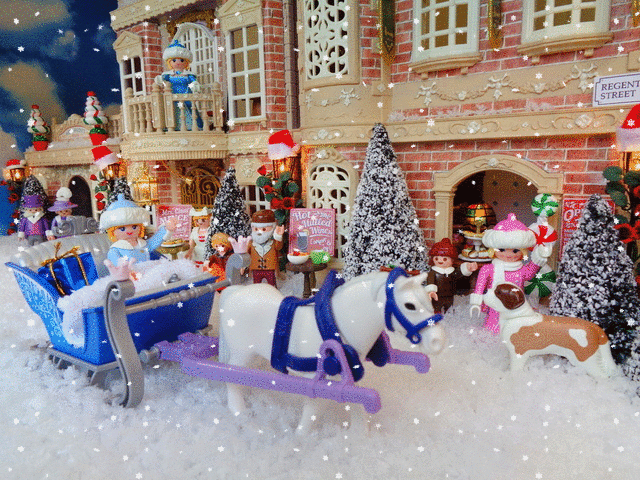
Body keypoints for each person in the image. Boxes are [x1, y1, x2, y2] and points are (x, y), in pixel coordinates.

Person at [469, 213, 551, 334]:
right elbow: (479, 288)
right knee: (493, 329)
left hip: (516, 308)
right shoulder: (488, 269)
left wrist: (538, 259)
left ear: (522, 251)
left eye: (515, 251)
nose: (508, 254)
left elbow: (530, 274)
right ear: (493, 250)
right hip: (495, 309)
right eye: (502, 250)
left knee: (514, 330)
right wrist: (476, 302)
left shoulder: (521, 269)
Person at [100, 194, 177, 265]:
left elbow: (155, 241)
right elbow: (116, 265)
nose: (129, 231)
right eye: (122, 229)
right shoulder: (116, 249)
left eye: (134, 227)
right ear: (113, 232)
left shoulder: (142, 244)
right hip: (130, 274)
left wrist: (166, 229)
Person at [154, 39, 202, 130]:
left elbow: (193, 83)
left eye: (182, 60)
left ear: (186, 62)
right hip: (172, 98)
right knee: (173, 113)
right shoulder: (168, 75)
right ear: (169, 62)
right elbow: (161, 80)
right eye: (174, 60)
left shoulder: (188, 75)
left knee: (190, 113)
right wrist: (159, 80)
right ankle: (175, 128)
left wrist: (194, 87)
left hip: (187, 98)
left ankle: (192, 127)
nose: (178, 62)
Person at [425, 238, 478, 314]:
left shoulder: (451, 271)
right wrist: (431, 291)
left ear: (452, 260)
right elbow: (430, 281)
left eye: (444, 259)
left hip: (450, 295)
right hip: (437, 296)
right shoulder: (433, 272)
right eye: (436, 258)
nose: (440, 261)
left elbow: (459, 273)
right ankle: (437, 314)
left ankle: (449, 314)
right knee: (436, 307)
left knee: (449, 308)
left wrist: (467, 268)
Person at [248, 209, 284, 287]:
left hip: (270, 269)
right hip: (256, 269)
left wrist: (278, 237)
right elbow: (246, 254)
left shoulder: (273, 243)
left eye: (264, 229)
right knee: (256, 286)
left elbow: (279, 247)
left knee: (272, 285)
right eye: (256, 229)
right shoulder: (251, 243)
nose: (259, 232)